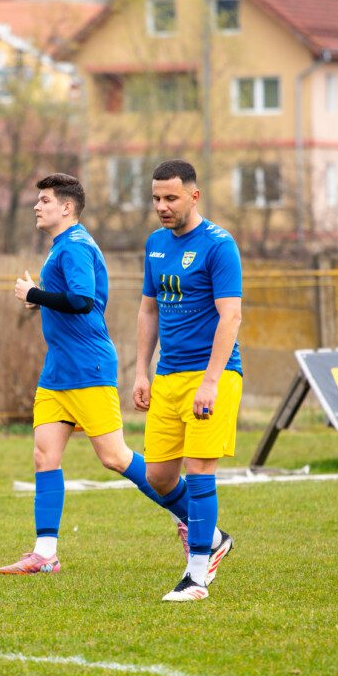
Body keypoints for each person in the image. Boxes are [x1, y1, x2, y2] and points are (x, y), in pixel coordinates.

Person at [0, 173, 194, 575]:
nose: (37, 206)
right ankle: (45, 554)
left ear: (67, 207)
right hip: (57, 372)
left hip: (88, 368)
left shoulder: (75, 245)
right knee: (44, 456)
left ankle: (196, 520)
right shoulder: (62, 246)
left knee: (115, 457)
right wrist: (40, 302)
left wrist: (33, 294)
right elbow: (70, 300)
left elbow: (83, 301)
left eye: (45, 200)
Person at [134, 159, 242, 602]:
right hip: (168, 376)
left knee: (198, 472)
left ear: (194, 196)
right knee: (159, 477)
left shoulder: (219, 245)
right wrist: (141, 371)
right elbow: (148, 310)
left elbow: (230, 316)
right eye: (156, 198)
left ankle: (197, 576)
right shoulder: (155, 244)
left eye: (171, 198)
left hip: (212, 376)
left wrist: (211, 382)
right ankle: (212, 538)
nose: (162, 206)